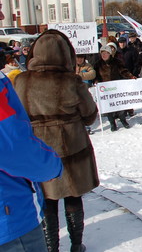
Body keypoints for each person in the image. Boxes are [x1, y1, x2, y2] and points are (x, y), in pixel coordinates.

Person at [14, 30, 99, 252]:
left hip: (39, 150)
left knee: (47, 200)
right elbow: (90, 115)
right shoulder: (72, 81)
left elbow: (17, 117)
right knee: (72, 196)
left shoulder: (22, 81)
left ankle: (51, 247)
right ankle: (76, 245)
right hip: (72, 147)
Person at [0, 0, 63, 252]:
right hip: (10, 218)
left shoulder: (21, 79)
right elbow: (13, 147)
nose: (3, 17)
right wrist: (52, 164)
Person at [94, 45, 136, 131]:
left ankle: (123, 120)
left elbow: (123, 71)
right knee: (109, 106)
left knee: (120, 106)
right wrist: (96, 81)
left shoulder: (117, 62)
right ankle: (112, 123)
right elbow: (96, 76)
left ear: (110, 54)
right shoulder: (97, 64)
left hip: (116, 88)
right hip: (105, 89)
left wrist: (131, 76)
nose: (104, 55)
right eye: (102, 53)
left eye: (106, 53)